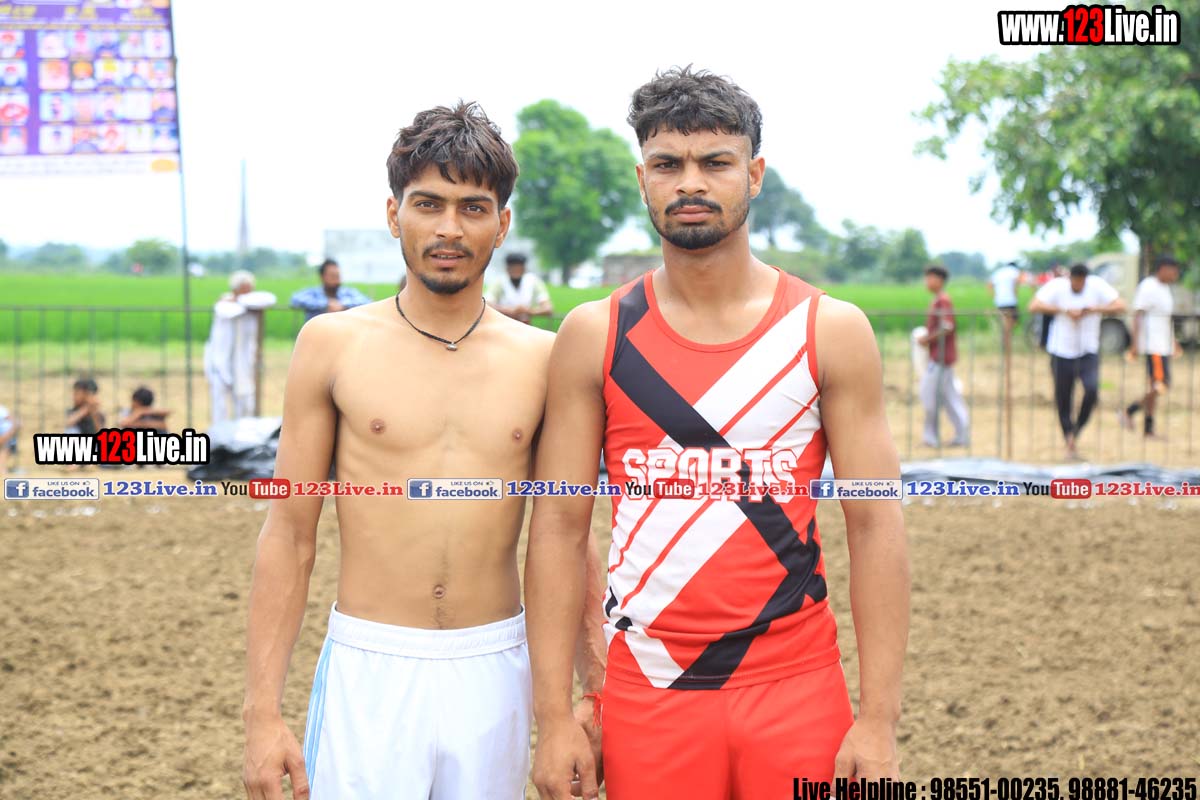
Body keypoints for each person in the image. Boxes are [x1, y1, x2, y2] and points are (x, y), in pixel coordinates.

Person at [526, 67, 910, 800]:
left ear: (754, 174)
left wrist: (879, 720)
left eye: (715, 162)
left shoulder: (829, 330)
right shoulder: (594, 334)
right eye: (668, 164)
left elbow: (875, 524)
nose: (690, 183)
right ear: (643, 179)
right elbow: (558, 528)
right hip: (649, 689)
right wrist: (554, 717)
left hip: (798, 684)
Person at [241, 101, 605, 800]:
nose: (449, 229)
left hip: (494, 663)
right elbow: (289, 533)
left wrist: (582, 697)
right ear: (394, 213)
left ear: (502, 224)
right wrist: (262, 715)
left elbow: (567, 529)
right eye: (428, 204)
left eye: (473, 208)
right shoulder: (332, 345)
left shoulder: (545, 359)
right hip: (371, 664)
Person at [1029, 262, 1125, 460]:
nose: (1079, 285)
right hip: (1061, 350)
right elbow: (1034, 305)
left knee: (1091, 390)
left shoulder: (1097, 285)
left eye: (1082, 282)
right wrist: (1064, 310)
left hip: (1088, 350)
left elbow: (1121, 305)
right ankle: (1069, 439)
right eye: (1076, 281)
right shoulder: (1057, 286)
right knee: (1063, 398)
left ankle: (1077, 430)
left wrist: (1093, 309)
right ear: (1070, 278)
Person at [1121, 255, 1183, 438]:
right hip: (1153, 345)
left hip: (1164, 345)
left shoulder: (1166, 289)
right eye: (1173, 271)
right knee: (1162, 384)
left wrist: (1173, 342)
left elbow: (1166, 319)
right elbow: (1137, 315)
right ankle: (1129, 411)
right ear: (1163, 268)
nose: (1175, 275)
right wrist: (1134, 344)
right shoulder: (1148, 286)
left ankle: (1148, 429)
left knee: (1155, 386)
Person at [916, 264, 969, 448]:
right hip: (941, 357)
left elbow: (947, 326)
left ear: (938, 280)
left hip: (940, 358)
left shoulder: (942, 301)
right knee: (950, 397)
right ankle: (962, 435)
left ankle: (931, 437)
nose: (927, 282)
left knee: (928, 395)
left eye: (929, 278)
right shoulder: (940, 300)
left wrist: (927, 339)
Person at [204, 271, 266, 425]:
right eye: (244, 289)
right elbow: (228, 310)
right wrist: (242, 303)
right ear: (235, 289)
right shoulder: (224, 304)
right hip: (220, 361)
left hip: (243, 361)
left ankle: (243, 433)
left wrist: (240, 301)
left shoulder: (253, 303)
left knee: (244, 401)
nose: (248, 293)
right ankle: (218, 433)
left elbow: (268, 299)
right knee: (219, 402)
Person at [288, 259, 371, 322]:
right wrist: (326, 304)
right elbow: (295, 299)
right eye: (332, 276)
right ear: (322, 277)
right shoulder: (313, 293)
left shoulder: (347, 293)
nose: (336, 280)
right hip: (317, 335)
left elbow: (367, 301)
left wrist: (343, 305)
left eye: (338, 276)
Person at [488, 252, 553, 323]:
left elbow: (548, 308)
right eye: (513, 268)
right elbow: (487, 304)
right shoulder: (500, 282)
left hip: (525, 325)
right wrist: (510, 311)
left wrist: (529, 311)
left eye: (519, 268)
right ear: (507, 269)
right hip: (503, 324)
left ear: (524, 269)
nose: (516, 271)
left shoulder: (533, 281)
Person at [988, 260, 1025, 336]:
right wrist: (1015, 293)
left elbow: (989, 284)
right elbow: (1018, 281)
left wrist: (995, 297)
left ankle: (1006, 338)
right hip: (1010, 301)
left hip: (999, 302)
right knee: (1012, 322)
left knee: (1005, 322)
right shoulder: (1014, 271)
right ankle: (1007, 338)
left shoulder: (999, 272)